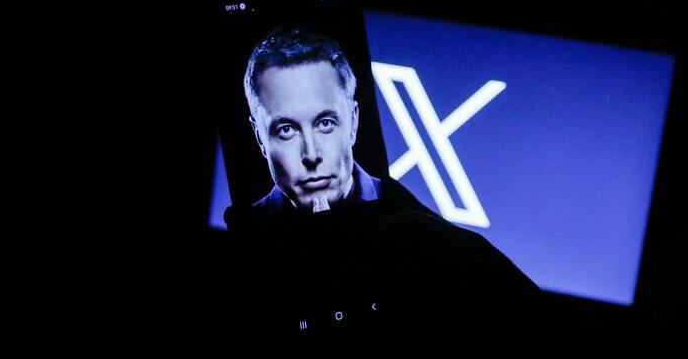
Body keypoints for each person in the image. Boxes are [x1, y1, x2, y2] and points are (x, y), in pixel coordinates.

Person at [223, 28, 546, 340]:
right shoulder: (248, 245)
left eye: (325, 123)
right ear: (259, 137)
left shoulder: (429, 239)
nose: (311, 154)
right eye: (286, 130)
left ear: (353, 122)